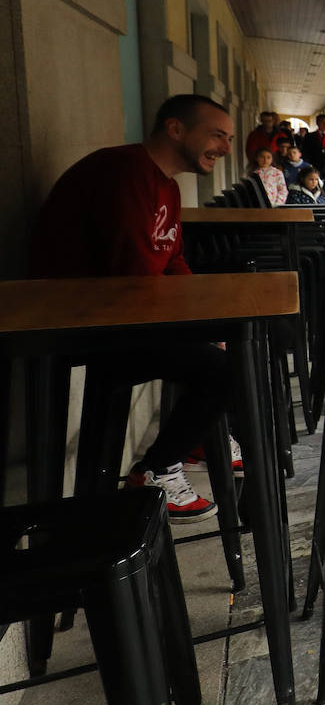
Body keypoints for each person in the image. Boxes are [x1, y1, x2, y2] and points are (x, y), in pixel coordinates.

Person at [31, 94, 240, 523]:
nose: (226, 148)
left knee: (231, 343)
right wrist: (197, 324)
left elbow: (173, 259)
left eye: (230, 138)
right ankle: (155, 469)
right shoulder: (124, 173)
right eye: (218, 135)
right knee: (222, 369)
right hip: (85, 324)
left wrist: (205, 315)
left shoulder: (166, 184)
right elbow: (135, 275)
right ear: (175, 128)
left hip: (124, 315)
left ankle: (196, 439)